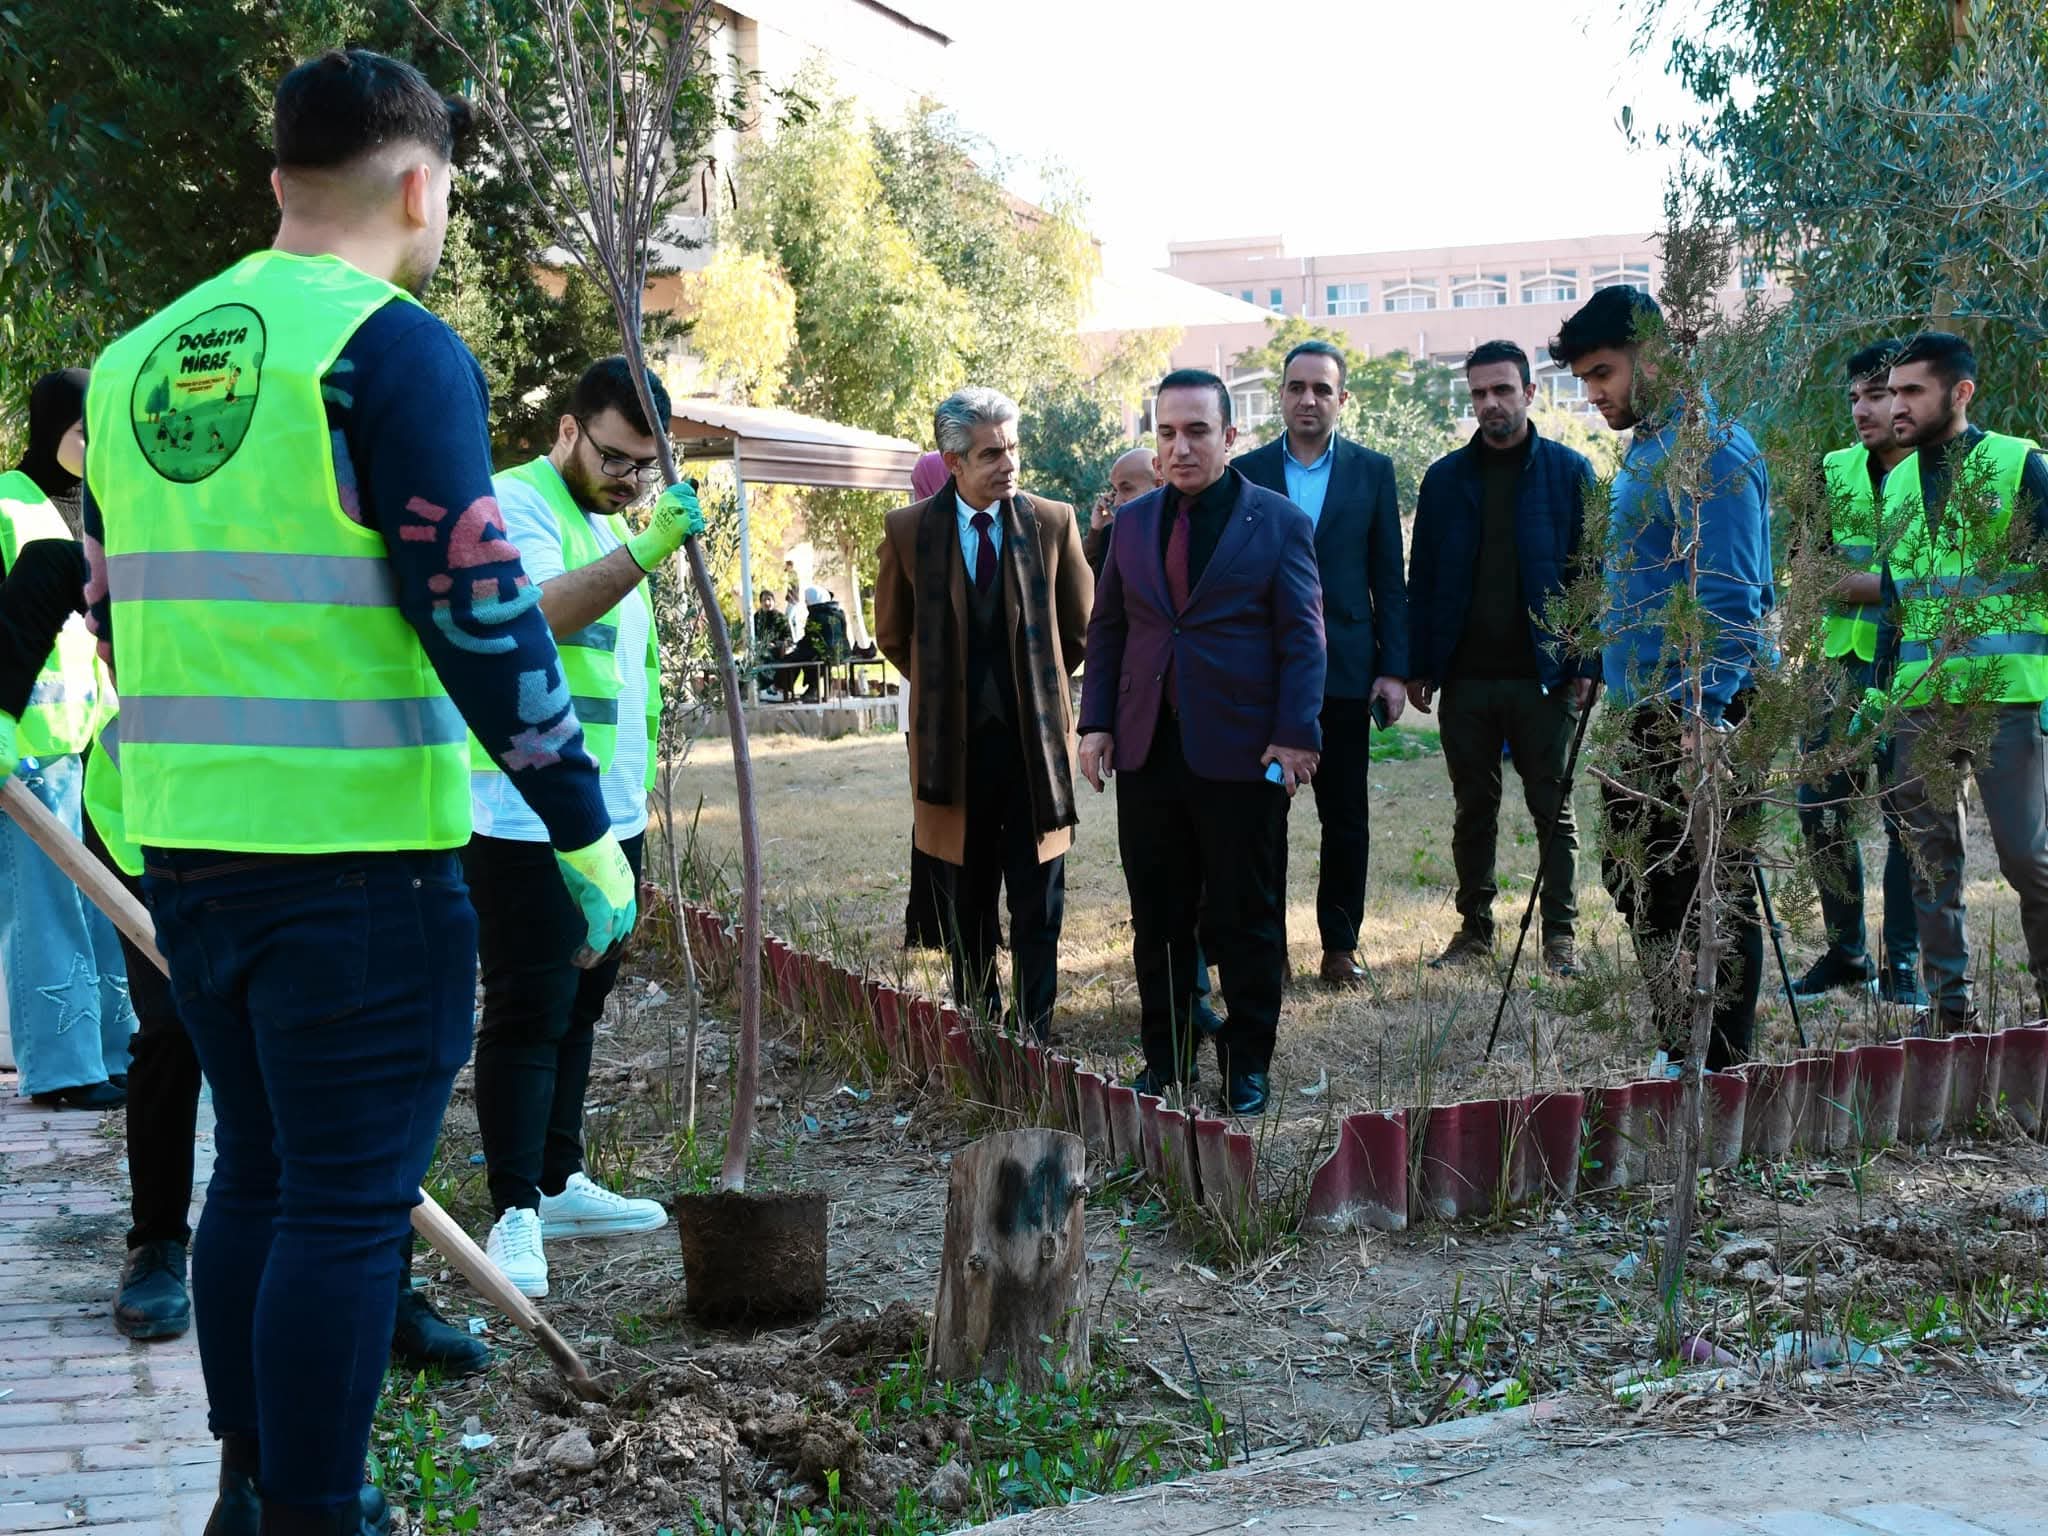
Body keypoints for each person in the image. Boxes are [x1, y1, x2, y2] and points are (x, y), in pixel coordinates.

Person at [83, 50, 635, 1535]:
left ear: (281, 183)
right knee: (341, 1200)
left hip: (184, 849)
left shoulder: (133, 366)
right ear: (418, 185)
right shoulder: (389, 350)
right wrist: (580, 824)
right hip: (355, 864)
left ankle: (250, 1490)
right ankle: (318, 1512)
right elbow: (477, 606)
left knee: (258, 1177)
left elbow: (121, 606)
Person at [83, 709, 490, 1374]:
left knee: (358, 1070)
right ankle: (156, 1243)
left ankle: (382, 1284)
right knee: (174, 1032)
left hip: (337, 836)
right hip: (167, 822)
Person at [467, 356, 699, 1299]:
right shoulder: (512, 503)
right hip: (522, 814)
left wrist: (631, 807)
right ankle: (513, 1208)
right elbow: (535, 617)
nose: (629, 481)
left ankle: (558, 1182)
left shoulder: (606, 522)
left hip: (604, 812)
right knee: (527, 1006)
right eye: (613, 457)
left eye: (645, 465)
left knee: (580, 1000)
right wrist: (647, 551)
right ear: (567, 429)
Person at [1079, 369, 1325, 1114]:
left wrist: (1295, 736)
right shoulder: (1131, 524)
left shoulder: (1278, 522)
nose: (1180, 448)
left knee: (1246, 915)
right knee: (1157, 916)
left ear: (1229, 436)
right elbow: (1109, 628)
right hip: (1148, 751)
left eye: (1196, 432)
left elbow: (1303, 637)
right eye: (1167, 433)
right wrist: (1096, 723)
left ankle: (1247, 1062)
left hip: (1244, 754)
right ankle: (1168, 1059)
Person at [1554, 286, 1773, 1074]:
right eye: (1585, 378)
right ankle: (1679, 1037)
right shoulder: (1648, 447)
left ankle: (1716, 1060)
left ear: (1653, 356)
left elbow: (1730, 593)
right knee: (1637, 873)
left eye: (1603, 372)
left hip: (1699, 703)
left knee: (1709, 881)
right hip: (1641, 701)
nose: (1594, 393)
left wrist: (1705, 714)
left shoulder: (1713, 449)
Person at [875, 388, 1092, 1040]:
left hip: (1034, 749)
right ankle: (980, 1022)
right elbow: (894, 634)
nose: (1009, 464)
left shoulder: (1052, 522)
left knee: (1038, 898)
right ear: (953, 461)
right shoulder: (908, 531)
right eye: (992, 453)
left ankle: (1035, 1029)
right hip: (954, 750)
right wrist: (950, 688)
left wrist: (1034, 689)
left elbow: (1078, 629)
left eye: (1013, 448)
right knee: (966, 898)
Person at [1874, 330, 2048, 1034]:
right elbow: (1897, 606)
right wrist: (1878, 701)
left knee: (2028, 859)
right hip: (1919, 703)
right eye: (1892, 392)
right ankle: (1949, 1013)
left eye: (1913, 391)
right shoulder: (1896, 484)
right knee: (1928, 860)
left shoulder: (2018, 464)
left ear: (1961, 392)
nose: (1897, 405)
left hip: (2008, 697)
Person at [1405, 341, 1597, 974]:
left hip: (1545, 676)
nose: (1490, 403)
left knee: (1553, 810)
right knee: (1472, 811)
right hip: (1465, 677)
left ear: (1529, 393)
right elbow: (1422, 578)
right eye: (1479, 393)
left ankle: (1559, 937)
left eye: (1502, 390)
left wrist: (1587, 663)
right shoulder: (1444, 479)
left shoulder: (1570, 472)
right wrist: (1420, 663)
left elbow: (1592, 575)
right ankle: (1474, 930)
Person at [1234, 340, 1408, 989]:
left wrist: (1394, 668)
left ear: (1342, 399)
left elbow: (1388, 577)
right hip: (1263, 675)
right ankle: (1266, 948)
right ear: (1281, 394)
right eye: (1296, 387)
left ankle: (1340, 946)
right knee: (1262, 821)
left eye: (1322, 389)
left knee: (1345, 819)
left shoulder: (1373, 471)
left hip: (1346, 672)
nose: (1308, 399)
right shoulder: (1245, 472)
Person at [0, 368, 134, 1110]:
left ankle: (116, 1048)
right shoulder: (7, 504)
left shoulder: (99, 506)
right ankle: (61, 1069)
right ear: (55, 429)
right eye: (87, 433)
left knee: (102, 903)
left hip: (92, 742)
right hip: (24, 747)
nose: (98, 447)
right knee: (45, 908)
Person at [1790, 341, 1924, 1004]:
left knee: (1911, 820)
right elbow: (1808, 571)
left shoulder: (1945, 470)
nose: (1863, 411)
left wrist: (1867, 584)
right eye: (1855, 398)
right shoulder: (1833, 470)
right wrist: (1898, 586)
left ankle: (1903, 966)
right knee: (1820, 810)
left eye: (1876, 394)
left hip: (1917, 666)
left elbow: (1950, 580)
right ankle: (1846, 953)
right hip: (1838, 667)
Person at [1084, 447, 1161, 575]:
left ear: (1159, 485)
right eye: (1115, 491)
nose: (1116, 502)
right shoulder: (1114, 535)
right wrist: (1097, 531)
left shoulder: (1180, 532)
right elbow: (1084, 582)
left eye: (1127, 489)